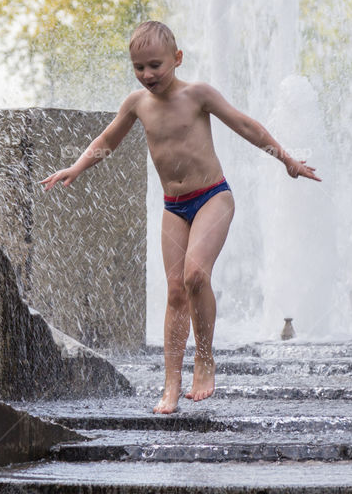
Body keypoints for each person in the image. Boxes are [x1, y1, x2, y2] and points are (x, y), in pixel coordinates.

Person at [41, 21, 322, 414]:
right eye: (138, 67)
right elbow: (107, 140)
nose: (147, 75)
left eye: (155, 65)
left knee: (195, 275)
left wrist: (286, 158)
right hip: (174, 207)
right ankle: (171, 386)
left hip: (213, 198)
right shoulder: (137, 104)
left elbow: (246, 126)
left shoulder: (198, 95)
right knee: (175, 292)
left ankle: (204, 358)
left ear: (177, 58)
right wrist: (76, 167)